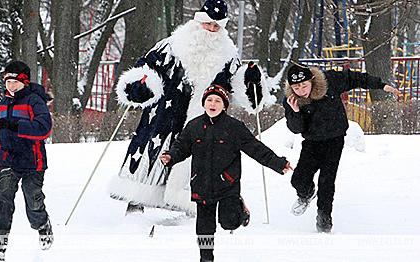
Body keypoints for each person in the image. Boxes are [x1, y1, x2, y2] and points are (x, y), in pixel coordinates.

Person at [109, 0, 276, 215]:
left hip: (204, 120)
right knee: (151, 156)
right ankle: (136, 203)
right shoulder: (170, 47)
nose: (211, 30)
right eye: (208, 24)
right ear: (198, 21)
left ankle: (194, 205)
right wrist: (139, 86)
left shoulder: (228, 57)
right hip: (165, 116)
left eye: (217, 27)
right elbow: (146, 69)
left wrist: (252, 82)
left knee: (198, 161)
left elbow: (244, 94)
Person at [160, 85, 292, 262]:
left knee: (229, 222)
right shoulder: (194, 126)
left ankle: (240, 209)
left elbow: (255, 148)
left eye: (217, 101)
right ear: (204, 103)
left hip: (227, 183)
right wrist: (170, 156)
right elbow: (181, 147)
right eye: (209, 100)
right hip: (202, 183)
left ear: (224, 105)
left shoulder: (234, 127)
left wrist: (278, 163)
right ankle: (206, 258)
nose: (212, 104)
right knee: (204, 227)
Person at [283, 63, 401, 233]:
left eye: (304, 85)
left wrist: (381, 85)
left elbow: (354, 78)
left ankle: (324, 218)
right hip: (312, 143)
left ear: (312, 80)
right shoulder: (291, 100)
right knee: (298, 180)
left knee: (327, 181)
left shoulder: (329, 81)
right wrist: (295, 112)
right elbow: (296, 128)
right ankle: (306, 194)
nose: (301, 90)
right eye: (296, 87)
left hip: (334, 140)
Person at [0, 61, 54, 260]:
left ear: (24, 81)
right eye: (7, 81)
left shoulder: (34, 101)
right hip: (9, 159)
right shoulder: (4, 103)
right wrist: (1, 154)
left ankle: (42, 224)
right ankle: (1, 240)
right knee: (4, 194)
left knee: (32, 198)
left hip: (33, 161)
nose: (11, 85)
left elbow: (44, 128)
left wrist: (16, 125)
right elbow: (4, 135)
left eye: (15, 81)